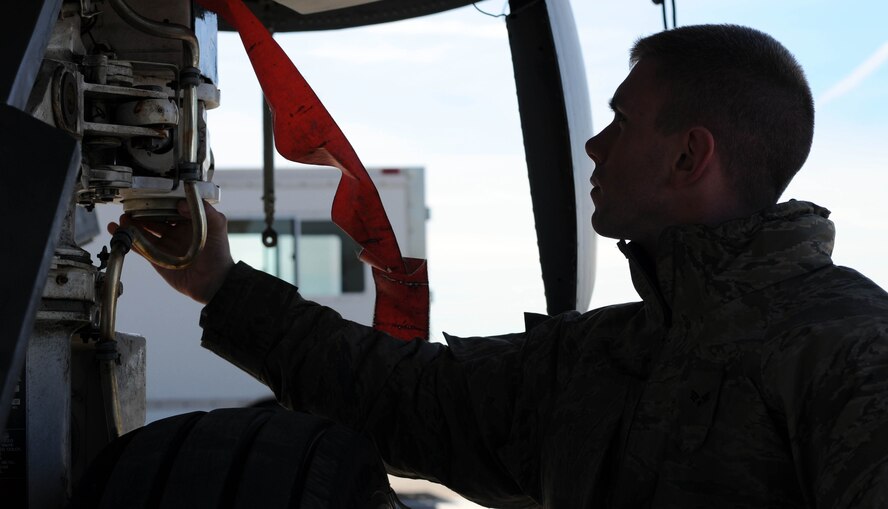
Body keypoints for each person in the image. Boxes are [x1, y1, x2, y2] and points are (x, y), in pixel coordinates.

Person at [114, 24, 888, 508]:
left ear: (690, 155)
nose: (594, 146)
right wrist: (217, 280)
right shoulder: (598, 358)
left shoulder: (856, 356)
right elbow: (398, 395)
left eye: (620, 120)